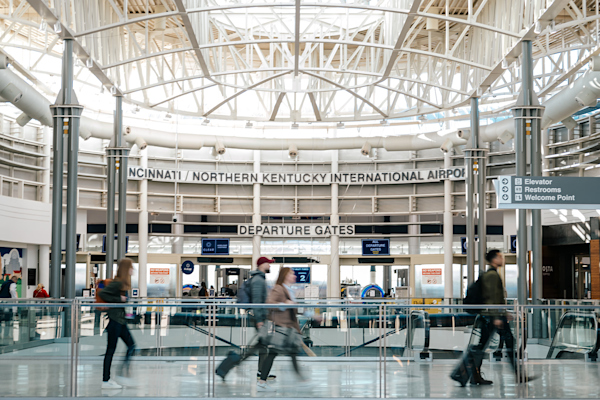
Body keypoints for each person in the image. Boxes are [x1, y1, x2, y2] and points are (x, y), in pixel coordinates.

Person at [455, 250, 519, 386]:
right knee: (506, 343)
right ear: (494, 259)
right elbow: (491, 298)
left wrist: (504, 312)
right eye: (500, 257)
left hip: (494, 315)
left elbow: (496, 298)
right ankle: (519, 375)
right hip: (492, 316)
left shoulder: (492, 274)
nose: (502, 259)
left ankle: (468, 375)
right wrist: (497, 316)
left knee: (483, 346)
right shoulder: (491, 275)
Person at [258, 267, 307, 392]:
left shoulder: (289, 290)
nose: (294, 276)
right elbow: (269, 303)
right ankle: (262, 381)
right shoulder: (279, 288)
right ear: (285, 275)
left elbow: (295, 309)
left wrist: (311, 314)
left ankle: (301, 379)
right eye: (291, 274)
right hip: (279, 327)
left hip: (287, 327)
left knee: (291, 353)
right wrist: (285, 304)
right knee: (275, 352)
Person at [100, 259, 136, 390]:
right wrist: (119, 299)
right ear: (126, 268)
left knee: (131, 345)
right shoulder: (118, 282)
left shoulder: (123, 284)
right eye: (131, 267)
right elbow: (102, 293)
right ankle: (107, 379)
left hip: (120, 321)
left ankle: (120, 374)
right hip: (115, 322)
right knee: (111, 350)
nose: (133, 270)